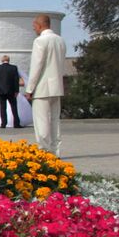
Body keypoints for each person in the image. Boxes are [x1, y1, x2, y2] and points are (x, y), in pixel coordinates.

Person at [26, 14, 68, 154]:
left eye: (34, 26)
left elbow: (36, 66)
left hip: (42, 88)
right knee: (55, 121)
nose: (34, 29)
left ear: (39, 25)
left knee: (41, 122)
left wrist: (30, 88)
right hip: (57, 87)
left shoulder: (40, 41)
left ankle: (44, 151)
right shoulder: (60, 40)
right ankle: (56, 151)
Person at [0, 55, 22, 128]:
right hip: (11, 90)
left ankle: (3, 124)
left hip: (1, 91)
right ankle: (16, 124)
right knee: (14, 107)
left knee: (3, 108)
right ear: (9, 60)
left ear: (2, 60)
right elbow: (16, 80)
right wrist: (17, 90)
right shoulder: (14, 68)